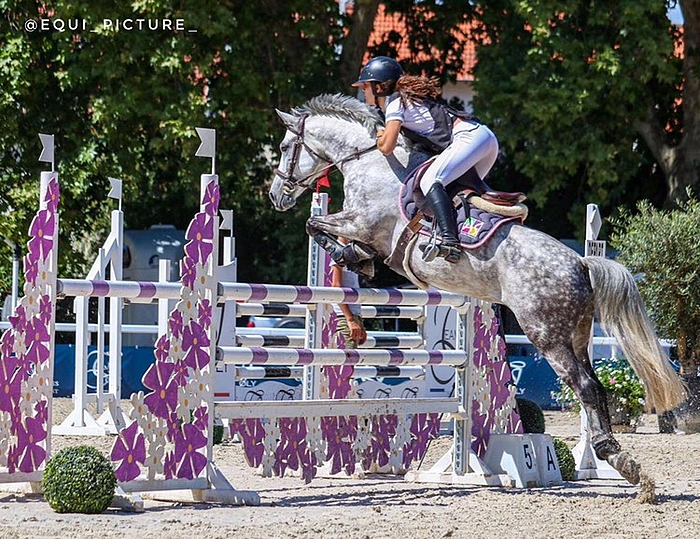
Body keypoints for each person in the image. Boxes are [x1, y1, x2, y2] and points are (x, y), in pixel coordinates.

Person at [352, 56, 499, 263]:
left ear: (380, 87)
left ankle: (450, 242)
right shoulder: (406, 100)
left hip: (468, 138)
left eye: (366, 86)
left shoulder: (395, 101)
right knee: (456, 192)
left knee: (429, 181)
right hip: (484, 140)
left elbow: (387, 147)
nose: (363, 91)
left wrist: (379, 136)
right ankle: (472, 238)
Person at [330, 238, 367, 349]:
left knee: (348, 362)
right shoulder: (338, 251)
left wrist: (359, 321)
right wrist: (350, 319)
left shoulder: (349, 252)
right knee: (346, 362)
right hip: (344, 316)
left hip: (350, 315)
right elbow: (336, 287)